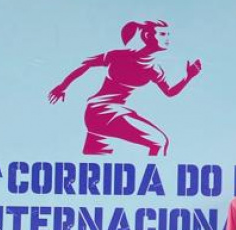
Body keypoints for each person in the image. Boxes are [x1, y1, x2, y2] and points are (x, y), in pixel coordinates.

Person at [48, 20, 202, 156]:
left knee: (97, 160)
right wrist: (62, 87)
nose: (167, 39)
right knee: (160, 142)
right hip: (104, 111)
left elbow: (169, 92)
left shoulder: (154, 69)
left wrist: (189, 77)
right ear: (148, 36)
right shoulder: (119, 55)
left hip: (99, 115)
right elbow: (87, 64)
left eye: (168, 34)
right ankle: (151, 179)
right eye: (162, 34)